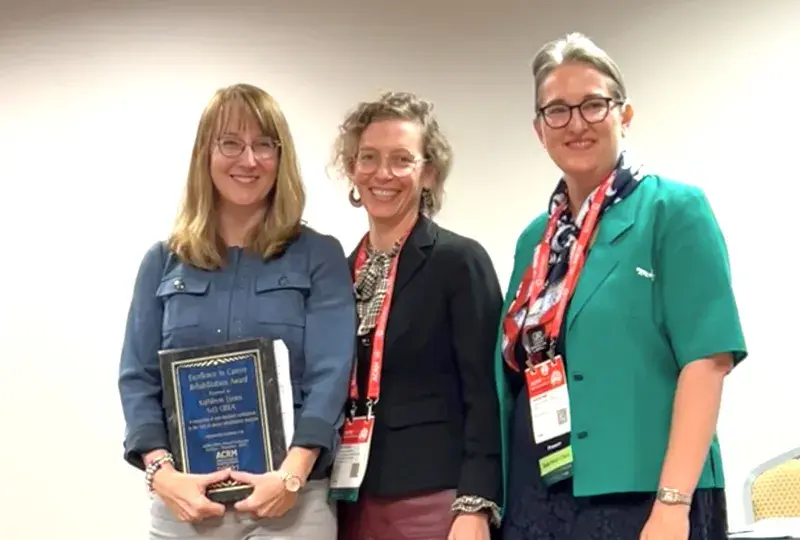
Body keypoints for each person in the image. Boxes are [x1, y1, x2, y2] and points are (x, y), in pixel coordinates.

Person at [495, 33, 748, 540]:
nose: (576, 123)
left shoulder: (673, 210)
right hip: (537, 495)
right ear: (539, 130)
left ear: (624, 115)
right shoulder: (534, 241)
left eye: (593, 104)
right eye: (557, 111)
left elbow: (708, 360)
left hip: (645, 496)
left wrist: (672, 503)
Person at [117, 83, 356, 540]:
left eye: (264, 144)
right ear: (205, 154)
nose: (248, 160)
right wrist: (162, 474)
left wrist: (292, 475)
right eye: (230, 143)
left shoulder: (318, 256)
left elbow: (331, 374)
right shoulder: (162, 262)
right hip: (186, 504)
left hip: (292, 502)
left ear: (280, 157)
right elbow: (137, 377)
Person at [329, 91, 504, 540]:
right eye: (369, 157)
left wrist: (476, 502)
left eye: (401, 159)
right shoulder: (338, 273)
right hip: (350, 499)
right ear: (352, 168)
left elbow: (486, 393)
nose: (382, 173)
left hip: (434, 500)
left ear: (428, 173)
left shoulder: (459, 261)